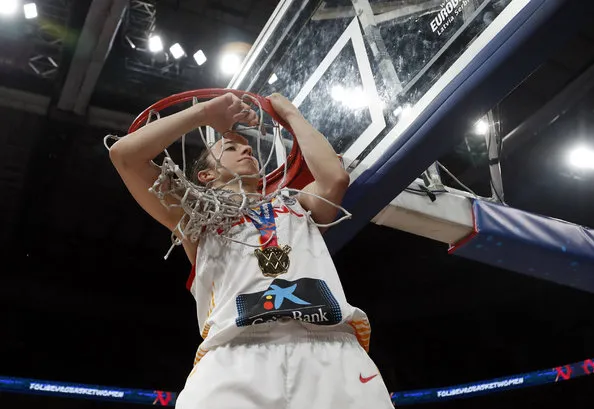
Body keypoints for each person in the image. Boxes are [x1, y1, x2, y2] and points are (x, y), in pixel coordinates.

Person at [109, 92, 394, 409]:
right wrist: (204, 113)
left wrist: (289, 113)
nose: (246, 148)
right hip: (233, 354)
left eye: (246, 146)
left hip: (329, 344)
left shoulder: (297, 201)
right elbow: (124, 155)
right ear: (206, 175)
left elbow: (335, 178)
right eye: (230, 148)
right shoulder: (194, 216)